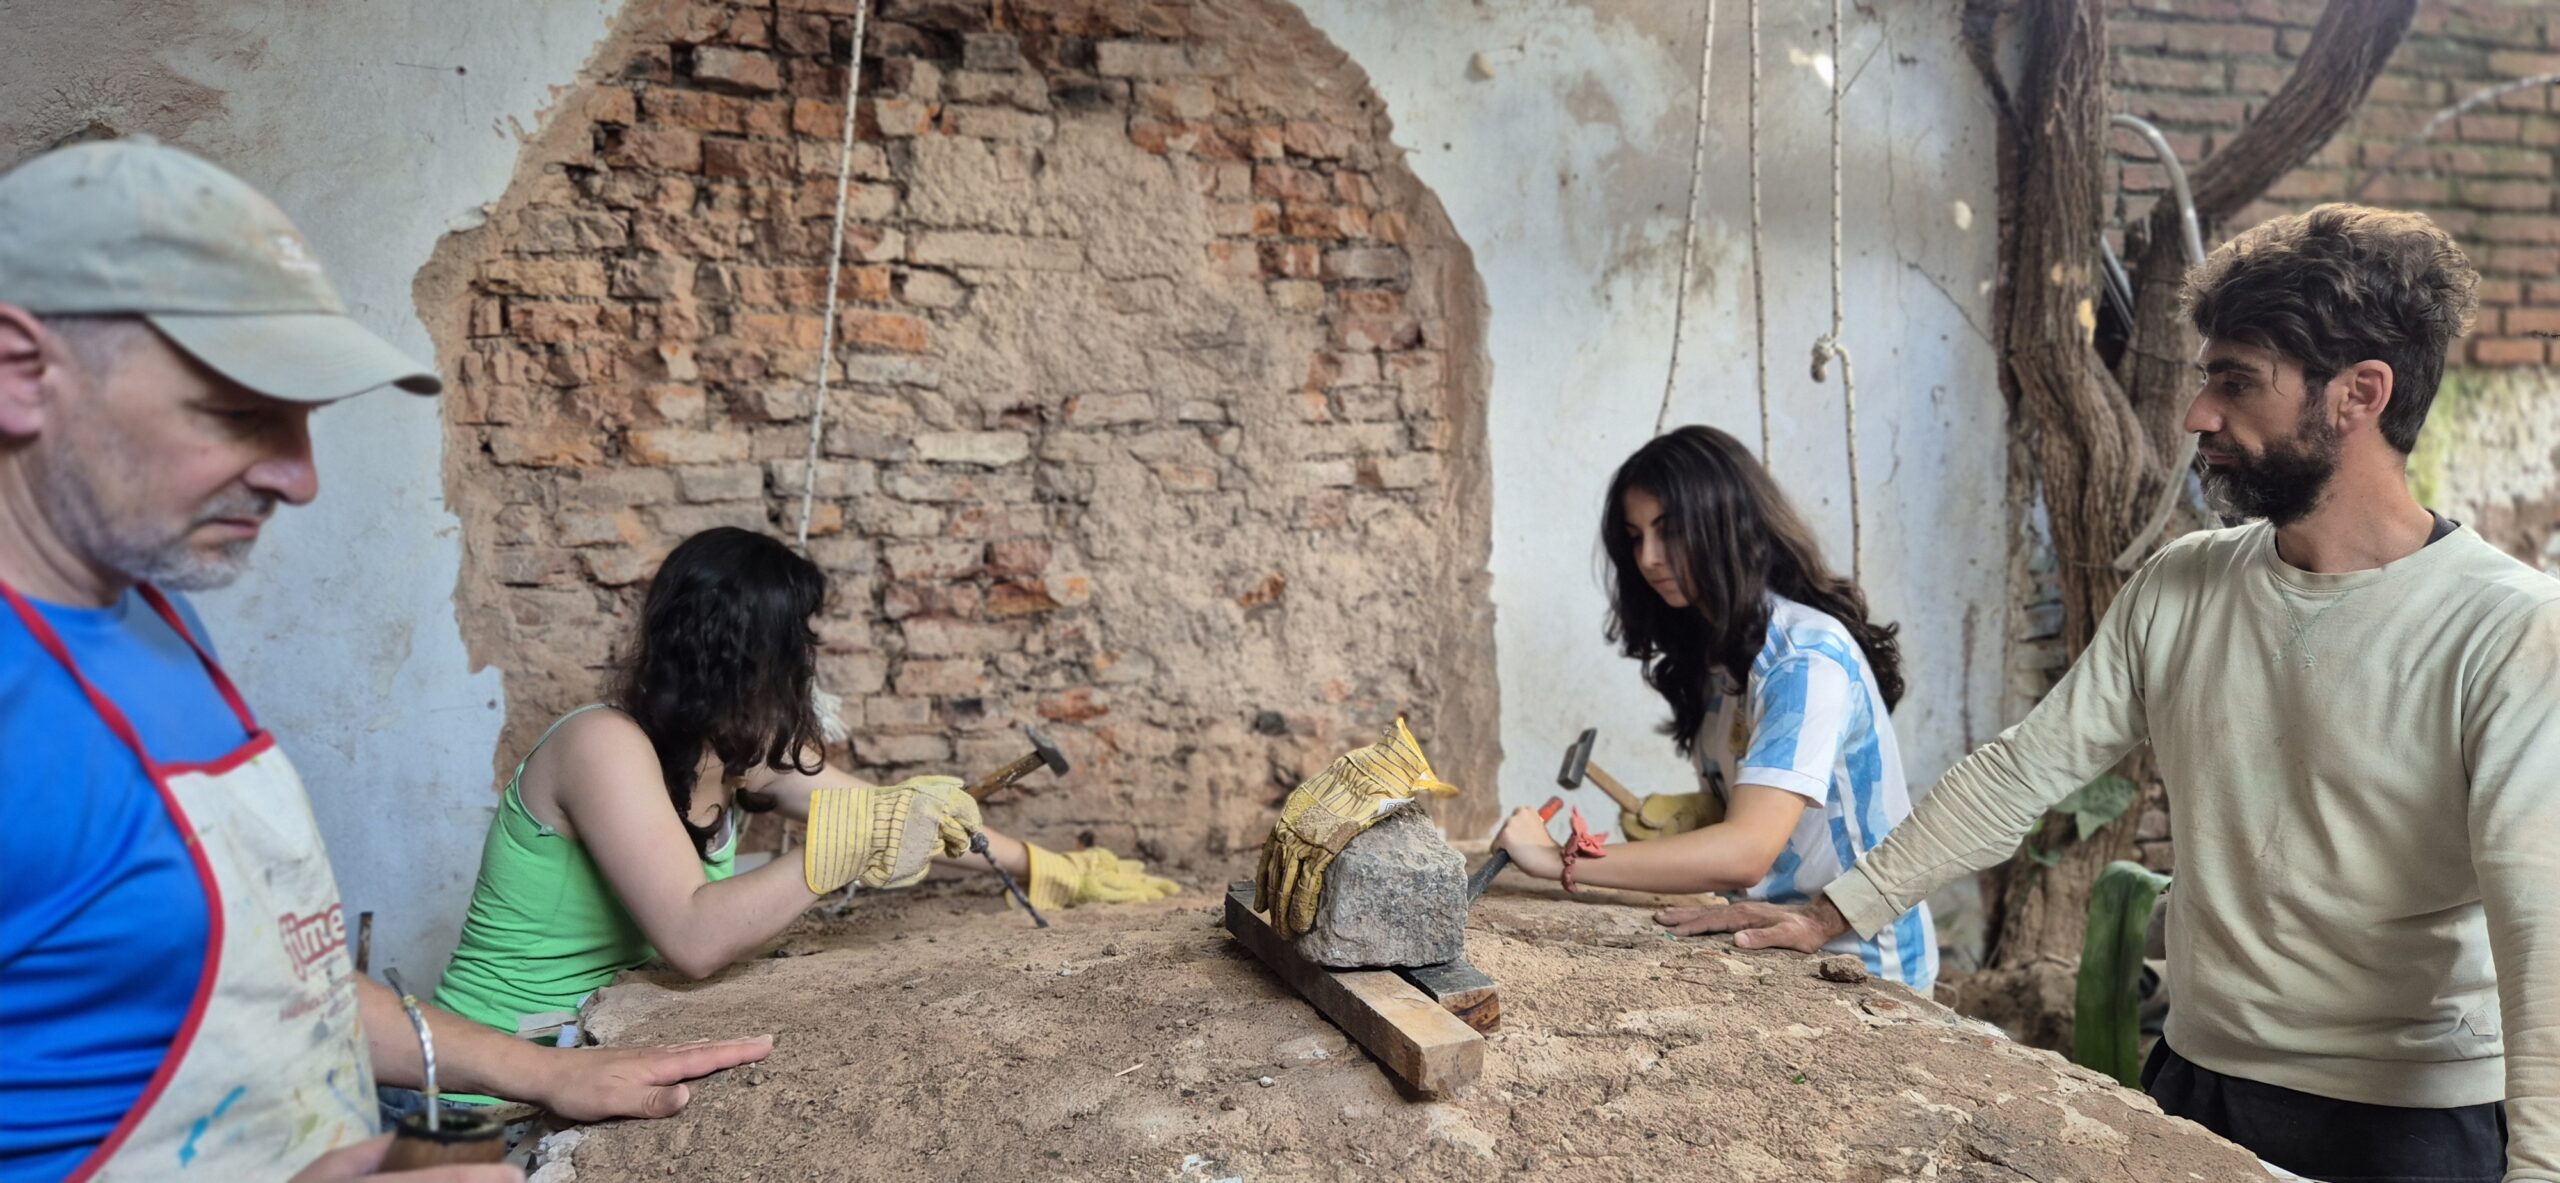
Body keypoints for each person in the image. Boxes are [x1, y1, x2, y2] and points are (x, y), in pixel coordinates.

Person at [1670, 205, 2560, 1183]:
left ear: (2361, 393)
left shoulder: (2505, 627)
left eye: (2236, 381)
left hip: (2412, 1125)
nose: (2197, 415)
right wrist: (1836, 910)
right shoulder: (2185, 584)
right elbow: (2020, 771)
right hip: (2197, 1086)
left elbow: (2540, 924)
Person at [0, 138, 770, 1183]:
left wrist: (543, 1073)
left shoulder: (144, 609)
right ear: (22, 372)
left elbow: (276, 981)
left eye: (305, 420)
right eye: (237, 412)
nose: (300, 478)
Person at [431, 527, 1180, 1046]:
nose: (810, 657)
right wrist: (834, 853)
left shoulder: (734, 752)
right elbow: (694, 938)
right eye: (801, 640)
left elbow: (885, 817)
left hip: (595, 1041)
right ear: (748, 655)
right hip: (492, 1073)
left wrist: (1048, 868)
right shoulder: (600, 745)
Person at [1492, 425, 1937, 992]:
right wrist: (1701, 816)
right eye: (1635, 537)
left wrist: (1556, 859)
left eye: (1670, 531)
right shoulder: (1720, 653)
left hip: (1862, 962)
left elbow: (1745, 853)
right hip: (1767, 937)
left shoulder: (1803, 662)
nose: (1649, 558)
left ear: (1730, 523)